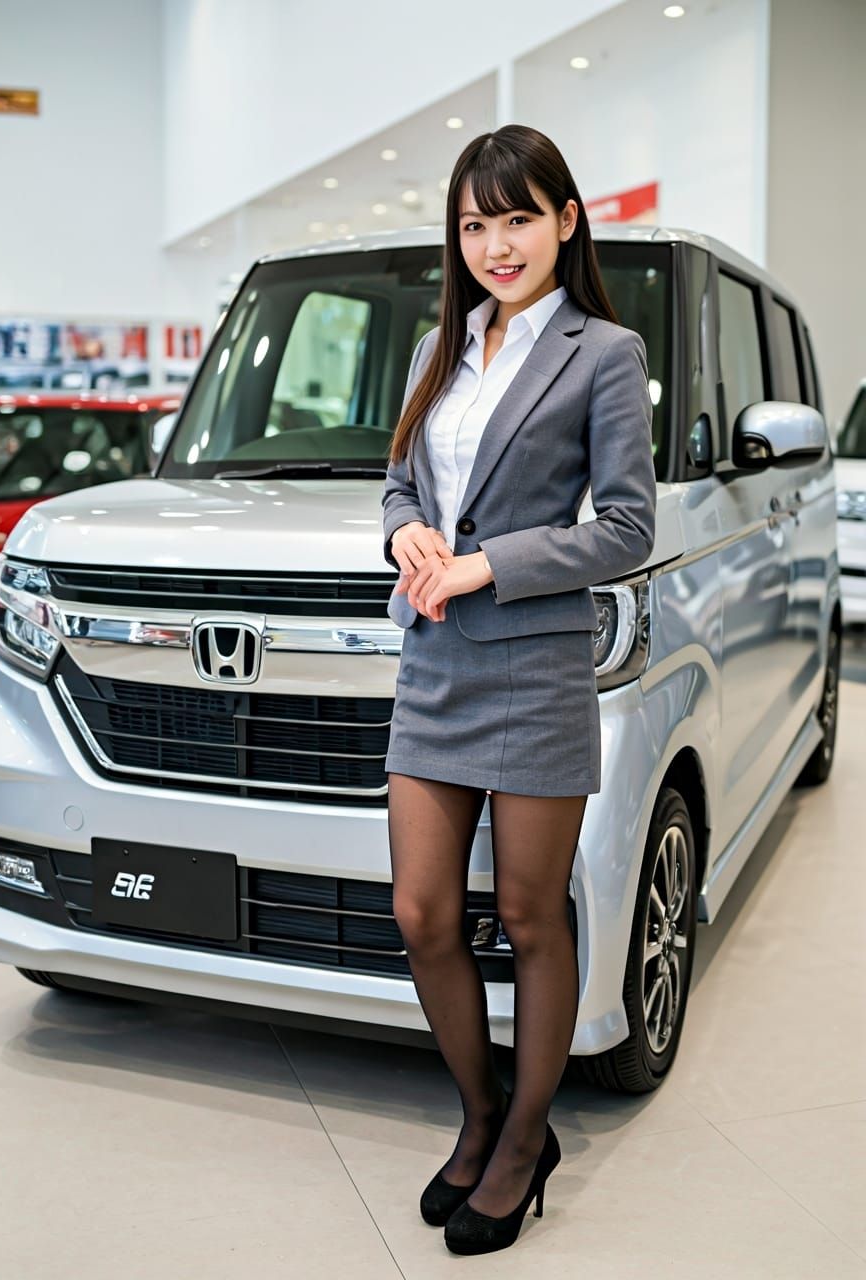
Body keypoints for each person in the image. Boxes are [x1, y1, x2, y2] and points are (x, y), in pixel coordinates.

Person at [381, 123, 657, 1254]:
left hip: (533, 663)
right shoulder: (434, 347)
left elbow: (627, 525)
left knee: (531, 916)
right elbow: (398, 482)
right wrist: (406, 536)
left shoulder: (604, 350)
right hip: (434, 657)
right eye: (474, 222)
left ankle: (525, 1134)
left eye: (517, 217)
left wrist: (489, 561)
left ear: (565, 221)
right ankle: (485, 1112)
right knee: (421, 911)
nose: (496, 243)